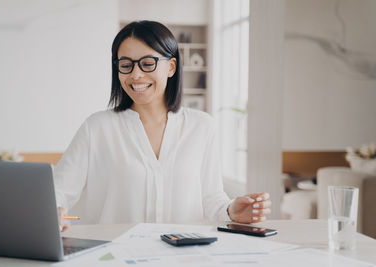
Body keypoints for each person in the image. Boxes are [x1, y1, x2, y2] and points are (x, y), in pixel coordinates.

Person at [54, 20, 271, 232]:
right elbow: (58, 190)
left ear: (171, 67)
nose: (136, 74)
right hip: (113, 257)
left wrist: (231, 212)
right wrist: (55, 210)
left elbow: (211, 198)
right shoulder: (97, 128)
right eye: (126, 65)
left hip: (183, 256)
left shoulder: (202, 127)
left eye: (148, 63)